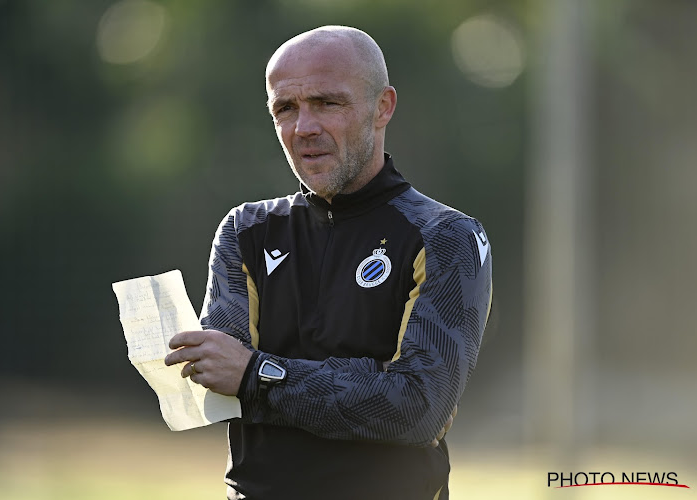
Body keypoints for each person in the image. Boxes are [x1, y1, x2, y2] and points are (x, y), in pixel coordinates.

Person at [164, 25, 493, 500]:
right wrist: (366, 379)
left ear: (383, 107)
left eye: (327, 103)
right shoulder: (245, 230)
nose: (304, 128)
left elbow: (417, 409)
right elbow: (221, 383)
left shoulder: (445, 235)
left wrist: (261, 375)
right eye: (286, 109)